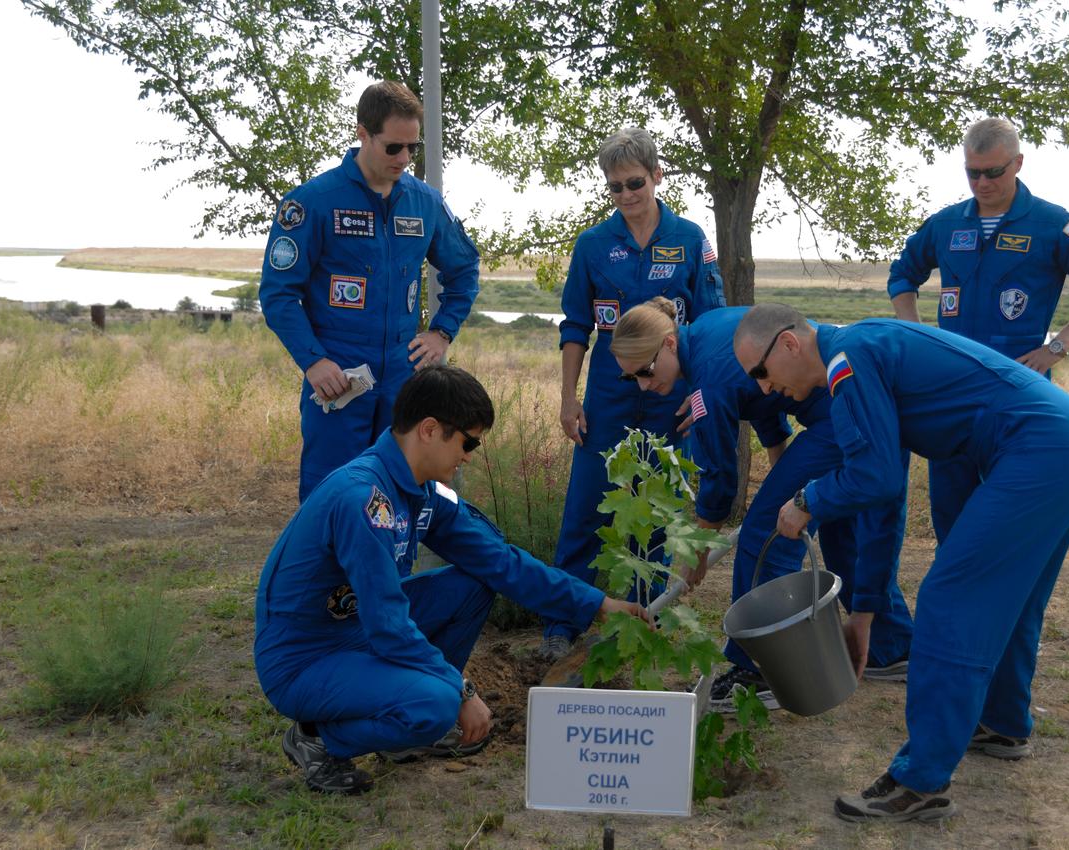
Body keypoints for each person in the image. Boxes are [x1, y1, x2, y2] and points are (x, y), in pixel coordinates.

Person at [733, 306, 1069, 822]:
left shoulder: (849, 361)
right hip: (1067, 441)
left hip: (1039, 447)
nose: (766, 389)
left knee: (951, 599)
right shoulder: (860, 353)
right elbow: (884, 498)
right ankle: (1001, 722)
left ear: (790, 345)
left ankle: (920, 782)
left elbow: (875, 480)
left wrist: (806, 501)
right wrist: (864, 611)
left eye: (761, 372)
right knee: (1010, 599)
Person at [255, 365, 649, 794]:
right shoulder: (364, 498)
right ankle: (318, 738)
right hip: (305, 660)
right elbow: (387, 624)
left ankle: (406, 713)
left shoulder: (420, 490)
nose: (469, 455)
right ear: (429, 429)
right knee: (437, 704)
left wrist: (597, 604)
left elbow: (501, 562)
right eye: (468, 441)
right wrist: (460, 691)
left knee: (475, 582)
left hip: (356, 632)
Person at [609, 298, 914, 711]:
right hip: (854, 409)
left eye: (645, 371)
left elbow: (719, 477)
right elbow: (764, 395)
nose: (645, 385)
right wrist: (781, 464)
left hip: (842, 416)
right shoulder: (707, 331)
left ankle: (756, 670)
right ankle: (892, 646)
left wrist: (697, 547)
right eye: (632, 380)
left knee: (765, 533)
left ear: (667, 344)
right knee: (843, 537)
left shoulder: (707, 382)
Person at [887, 117, 1069, 543]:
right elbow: (902, 276)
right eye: (972, 172)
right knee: (951, 511)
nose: (982, 182)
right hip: (950, 387)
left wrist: (1057, 347)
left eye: (993, 172)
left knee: (1010, 508)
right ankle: (956, 595)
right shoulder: (944, 225)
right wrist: (919, 336)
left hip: (1019, 386)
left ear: (1017, 163)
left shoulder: (1054, 225)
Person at [539, 128, 726, 660]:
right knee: (587, 507)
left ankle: (648, 617)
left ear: (657, 175)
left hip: (674, 397)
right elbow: (575, 326)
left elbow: (712, 328)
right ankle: (564, 618)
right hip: (610, 395)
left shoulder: (690, 239)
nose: (626, 196)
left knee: (662, 507)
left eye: (635, 183)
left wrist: (703, 400)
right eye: (615, 187)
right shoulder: (594, 245)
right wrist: (567, 398)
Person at [260, 80, 481, 502]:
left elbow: (465, 267)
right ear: (363, 133)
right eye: (393, 147)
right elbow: (278, 294)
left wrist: (441, 331)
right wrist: (313, 361)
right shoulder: (313, 202)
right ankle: (325, 571)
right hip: (338, 376)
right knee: (333, 494)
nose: (404, 159)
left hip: (405, 375)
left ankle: (390, 570)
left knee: (403, 491)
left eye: (412, 148)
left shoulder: (424, 202)